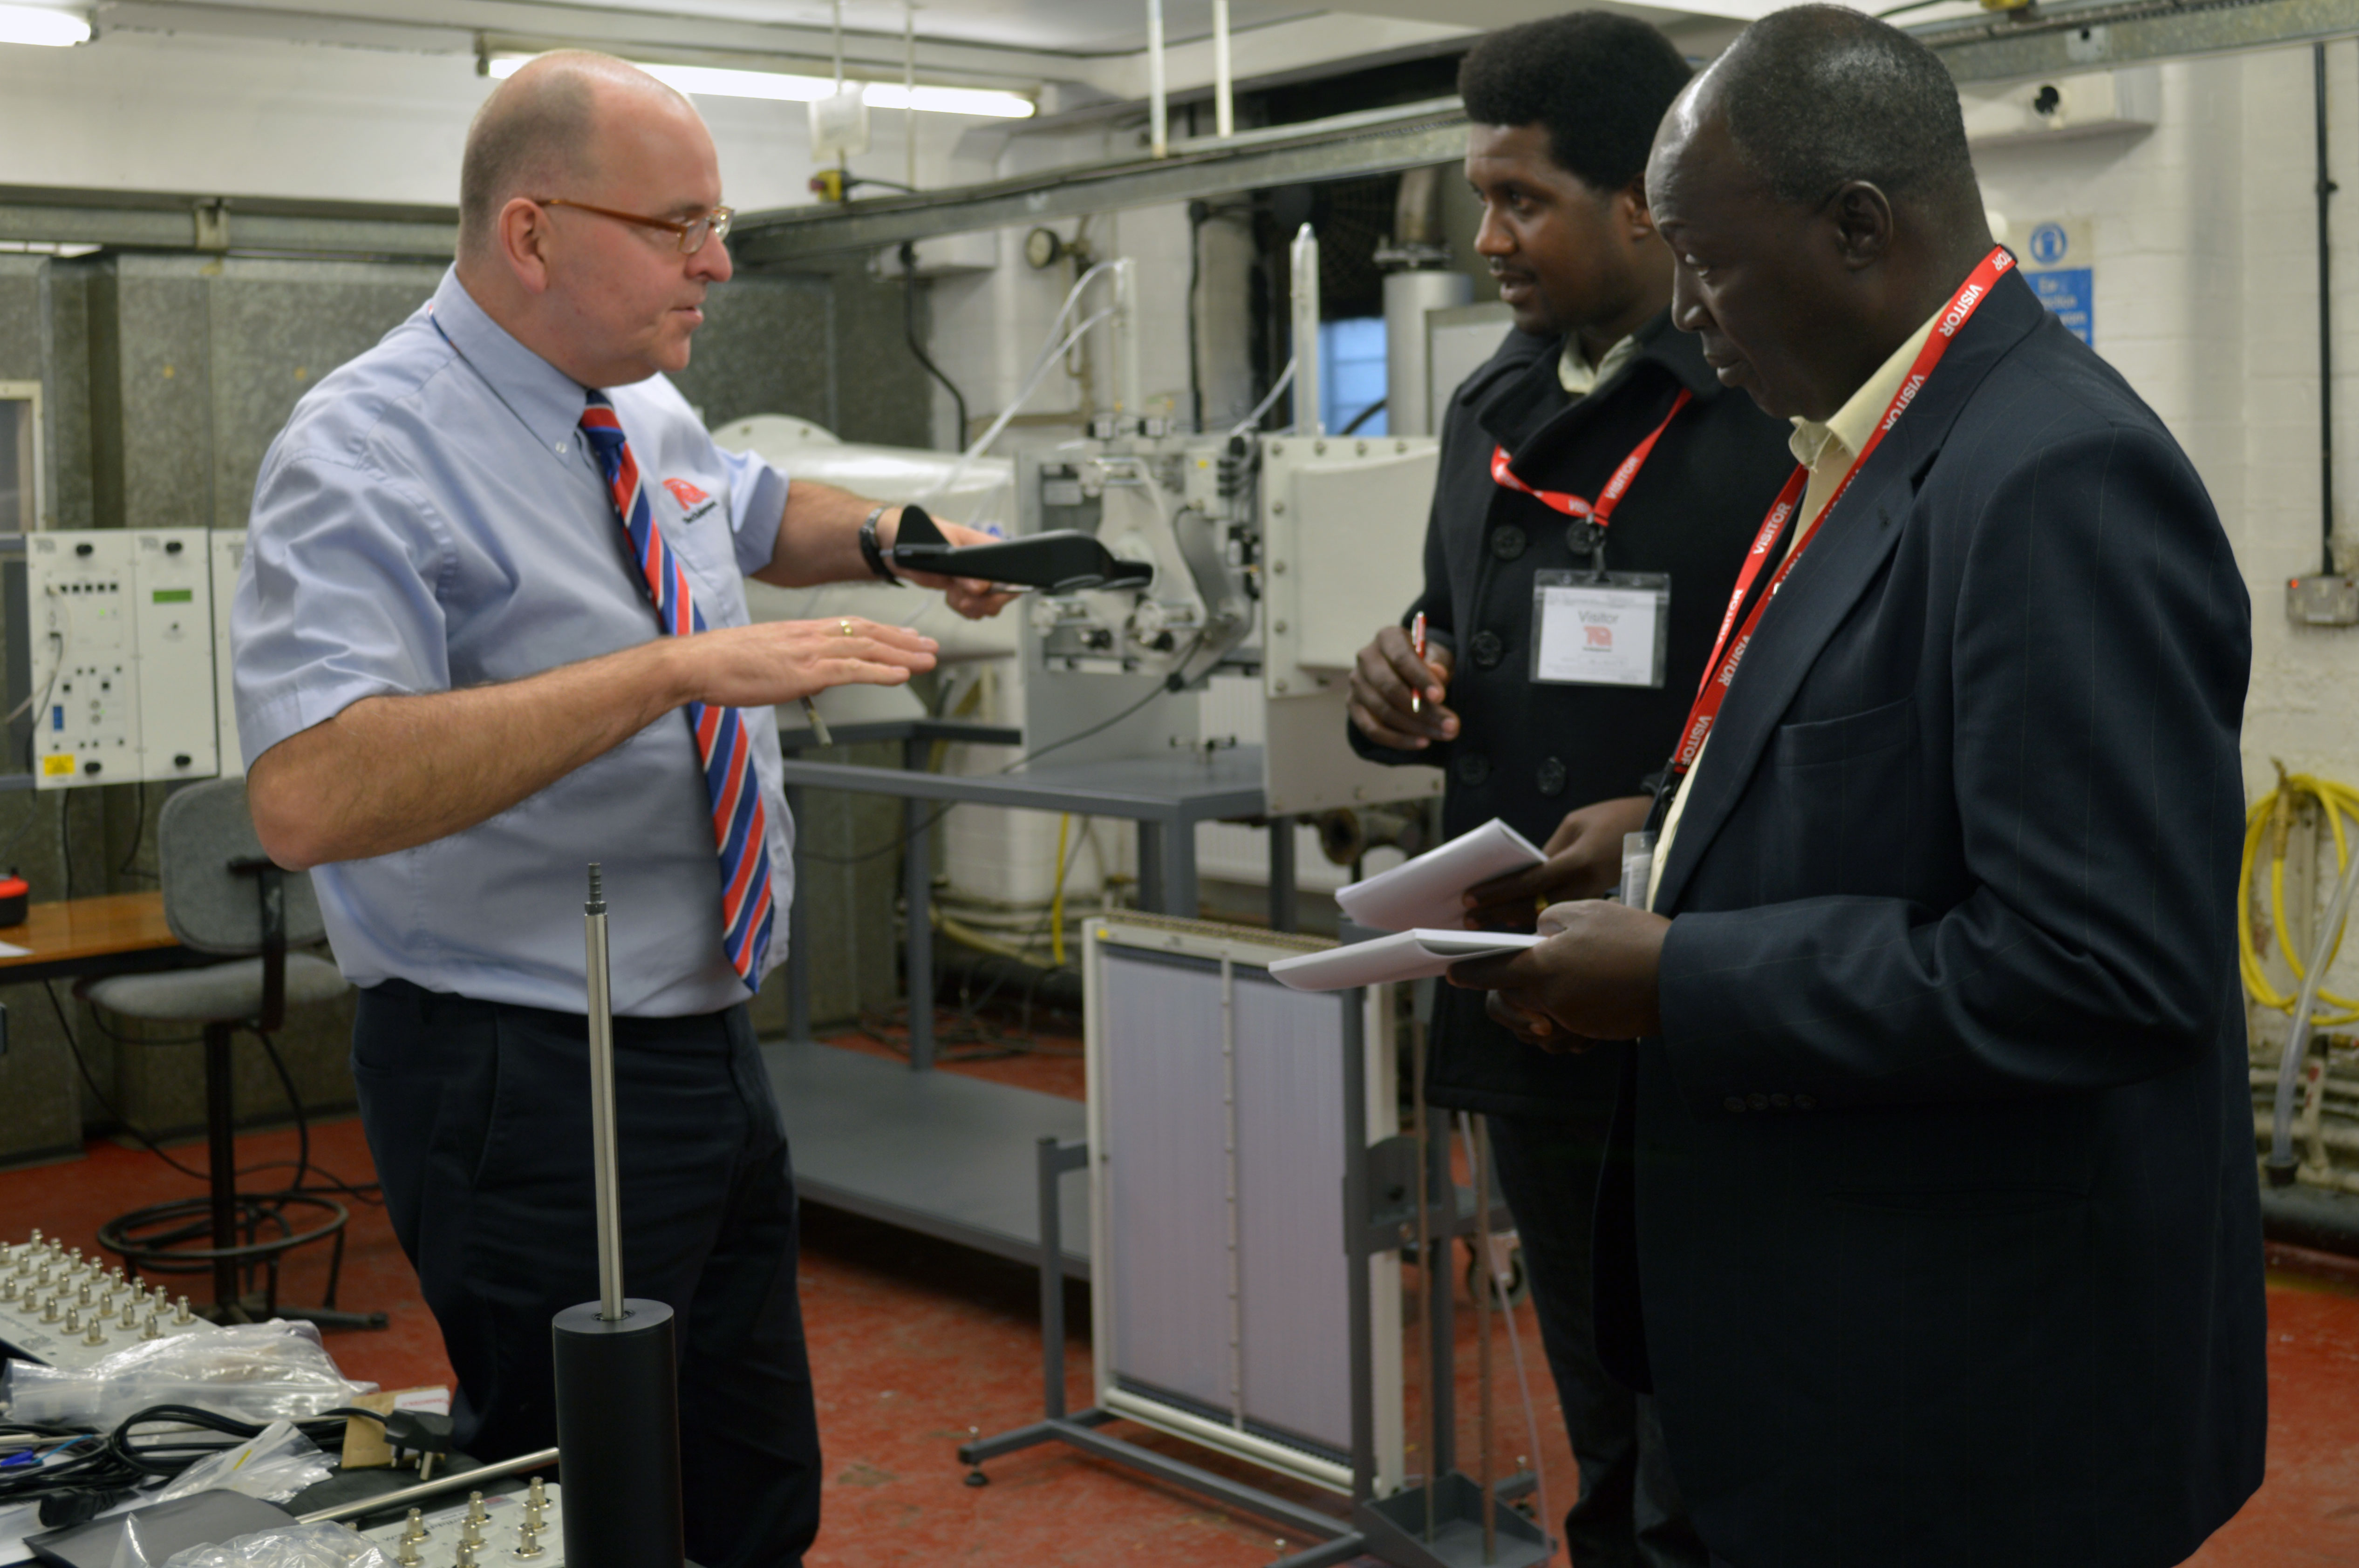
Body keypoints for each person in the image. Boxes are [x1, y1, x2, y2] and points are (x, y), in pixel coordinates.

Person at [1453, 9, 2267, 1566]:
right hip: (1811, 1347)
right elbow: (1896, 783)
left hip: (1963, 1405)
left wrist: (1685, 974)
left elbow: (2101, 970)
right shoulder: (1871, 441)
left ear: (1857, 228)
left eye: (1705, 260)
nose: (1687, 307)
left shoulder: (2052, 476)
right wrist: (1669, 839)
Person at [233, 53, 1012, 1568]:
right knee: (576, 1507)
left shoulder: (634, 404)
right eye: (680, 225)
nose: (717, 262)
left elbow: (752, 505)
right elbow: (311, 793)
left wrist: (905, 543)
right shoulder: (363, 451)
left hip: (702, 1041)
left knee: (751, 1487)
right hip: (523, 1067)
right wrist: (664, 671)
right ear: (531, 234)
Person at [1344, 14, 1795, 1565]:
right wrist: (1396, 687)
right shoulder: (1487, 415)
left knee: (1724, 1413)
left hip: (1699, 1000)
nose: (1486, 240)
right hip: (1525, 989)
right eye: (1479, 198)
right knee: (1598, 1411)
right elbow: (1452, 638)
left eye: (1521, 200)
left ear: (1641, 206)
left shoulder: (1765, 422)